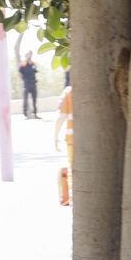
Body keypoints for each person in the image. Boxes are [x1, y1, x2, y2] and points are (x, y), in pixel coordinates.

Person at [54, 71, 73, 206]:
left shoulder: (67, 93)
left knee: (73, 168)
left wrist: (55, 136)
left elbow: (61, 117)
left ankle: (71, 197)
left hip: (72, 138)